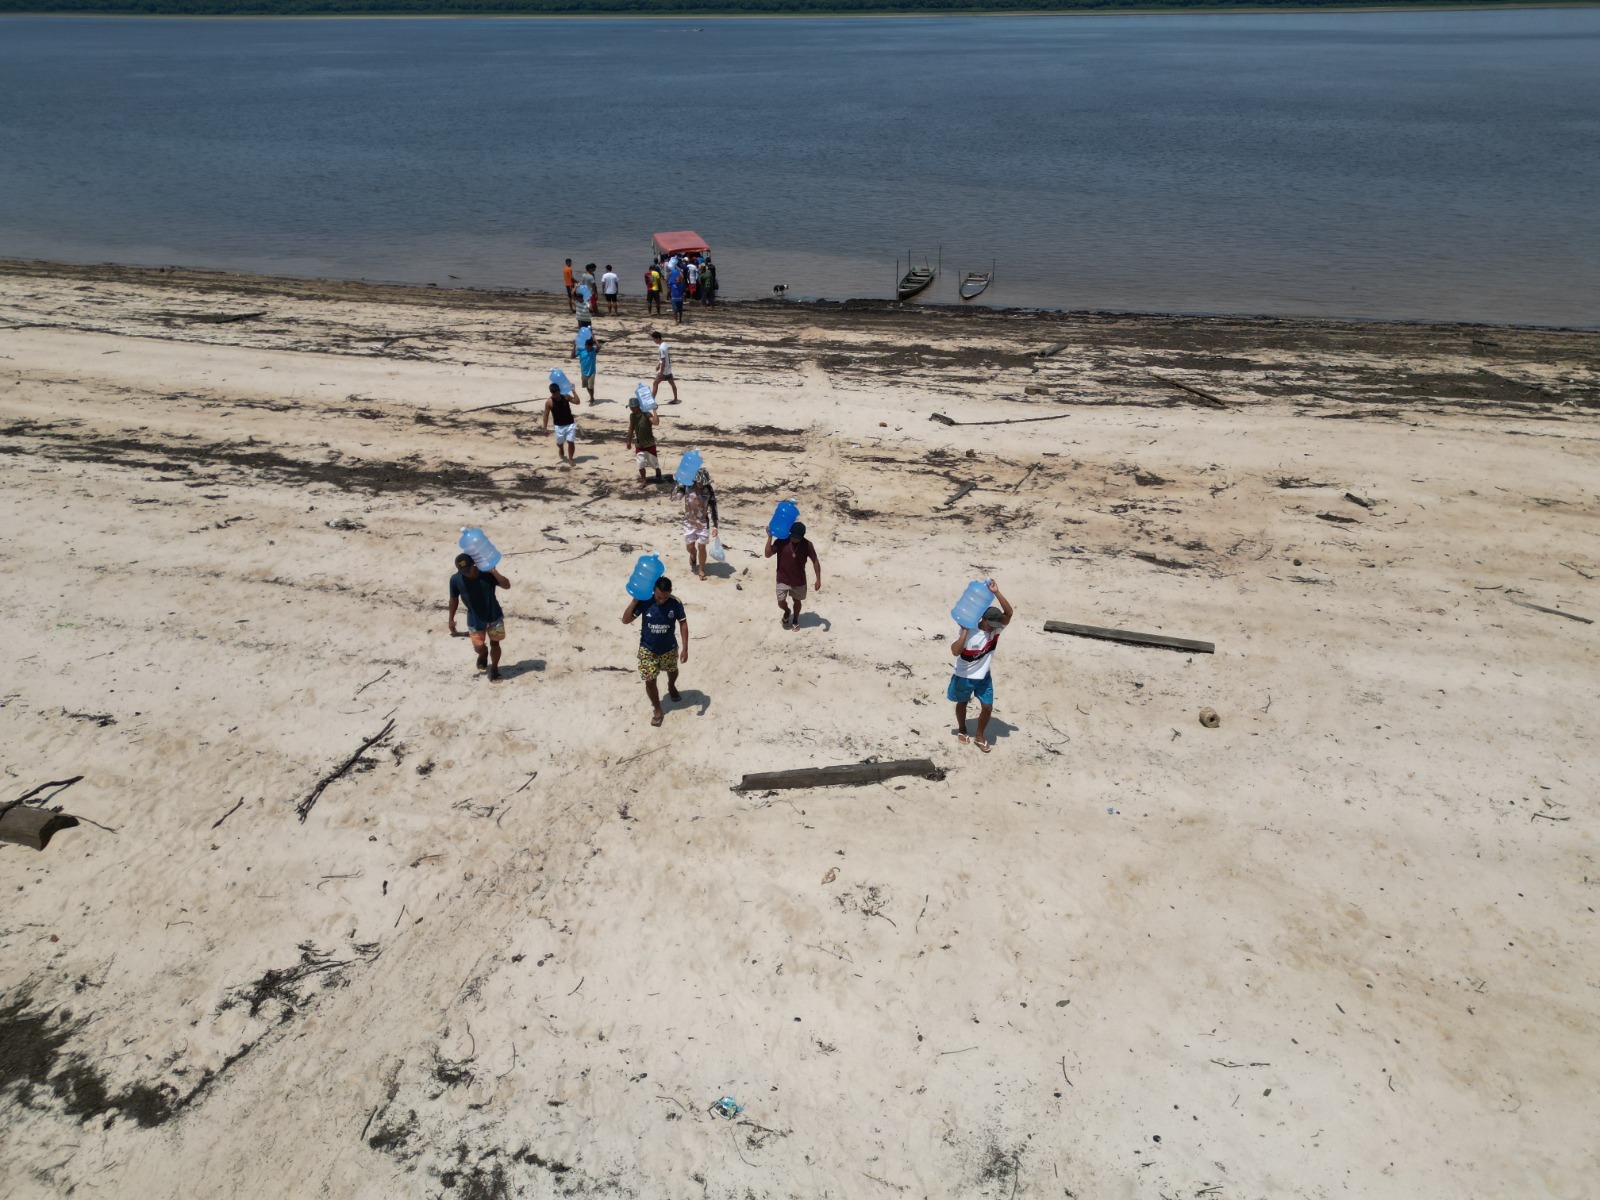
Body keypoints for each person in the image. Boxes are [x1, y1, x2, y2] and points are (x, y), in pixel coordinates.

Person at [948, 579, 1013, 752]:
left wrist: (996, 592)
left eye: (996, 626)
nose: (993, 629)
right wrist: (963, 632)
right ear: (983, 619)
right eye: (990, 625)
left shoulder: (997, 629)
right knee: (962, 703)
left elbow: (1009, 612)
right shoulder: (970, 632)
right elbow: (955, 651)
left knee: (988, 707)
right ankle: (962, 729)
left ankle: (979, 735)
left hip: (984, 676)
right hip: (964, 675)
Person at [622, 575, 687, 727]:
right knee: (650, 681)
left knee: (672, 670)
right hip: (647, 648)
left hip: (669, 647)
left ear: (670, 593)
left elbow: (683, 624)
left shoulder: (675, 603)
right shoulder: (645, 601)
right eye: (658, 596)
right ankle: (658, 710)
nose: (661, 600)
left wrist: (685, 648)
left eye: (665, 597)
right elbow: (625, 620)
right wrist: (635, 599)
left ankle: (671, 686)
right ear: (653, 591)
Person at [448, 553, 511, 682]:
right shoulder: (455, 579)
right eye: (462, 571)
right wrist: (451, 619)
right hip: (474, 618)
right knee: (478, 647)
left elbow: (507, 585)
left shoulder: (486, 574)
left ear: (474, 565)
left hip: (494, 616)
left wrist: (494, 571)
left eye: (468, 569)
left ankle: (494, 669)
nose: (466, 573)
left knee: (495, 643)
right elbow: (453, 599)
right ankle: (483, 653)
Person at [765, 520, 821, 631]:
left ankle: (795, 620)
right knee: (780, 601)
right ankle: (787, 611)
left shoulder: (807, 544)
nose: (794, 539)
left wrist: (818, 579)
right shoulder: (781, 541)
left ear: (802, 537)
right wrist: (769, 538)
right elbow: (767, 554)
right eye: (793, 536)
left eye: (797, 538)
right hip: (782, 578)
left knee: (797, 601)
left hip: (799, 580)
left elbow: (815, 561)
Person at [675, 467, 719, 581]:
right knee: (690, 547)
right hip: (689, 522)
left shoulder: (708, 489)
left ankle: (701, 569)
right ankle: (693, 554)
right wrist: (678, 486)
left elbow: (713, 507)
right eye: (700, 482)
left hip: (703, 522)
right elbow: (675, 497)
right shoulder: (686, 486)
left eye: (704, 482)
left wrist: (715, 526)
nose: (702, 484)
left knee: (702, 546)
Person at [626, 392, 662, 485]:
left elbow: (656, 422)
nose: (632, 409)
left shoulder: (646, 415)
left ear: (638, 406)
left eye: (633, 407)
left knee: (653, 463)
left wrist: (654, 410)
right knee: (640, 463)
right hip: (639, 445)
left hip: (650, 444)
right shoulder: (632, 416)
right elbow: (631, 428)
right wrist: (628, 441)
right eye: (630, 407)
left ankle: (658, 470)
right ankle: (644, 480)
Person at [542, 380, 580, 466]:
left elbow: (577, 402)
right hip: (558, 426)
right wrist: (545, 428)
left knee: (571, 441)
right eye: (554, 394)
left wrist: (573, 391)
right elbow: (546, 415)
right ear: (551, 393)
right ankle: (561, 448)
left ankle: (570, 459)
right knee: (560, 443)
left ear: (559, 390)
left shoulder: (566, 397)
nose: (556, 395)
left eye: (558, 393)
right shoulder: (549, 402)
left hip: (570, 424)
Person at [571, 325, 599, 404]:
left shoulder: (593, 351)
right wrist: (574, 346)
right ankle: (591, 397)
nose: (588, 348)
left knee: (590, 386)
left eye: (589, 347)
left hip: (592, 372)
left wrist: (593, 337)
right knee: (586, 386)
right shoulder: (581, 350)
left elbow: (599, 346)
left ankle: (592, 398)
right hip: (584, 371)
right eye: (587, 346)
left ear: (591, 346)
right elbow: (572, 356)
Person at [651, 330, 679, 404]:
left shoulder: (661, 348)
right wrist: (658, 364)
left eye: (654, 339)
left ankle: (652, 401)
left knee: (655, 383)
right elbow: (664, 358)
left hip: (665, 370)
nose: (653, 341)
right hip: (669, 369)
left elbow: (663, 360)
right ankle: (675, 399)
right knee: (672, 383)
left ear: (657, 338)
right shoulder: (665, 345)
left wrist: (661, 372)